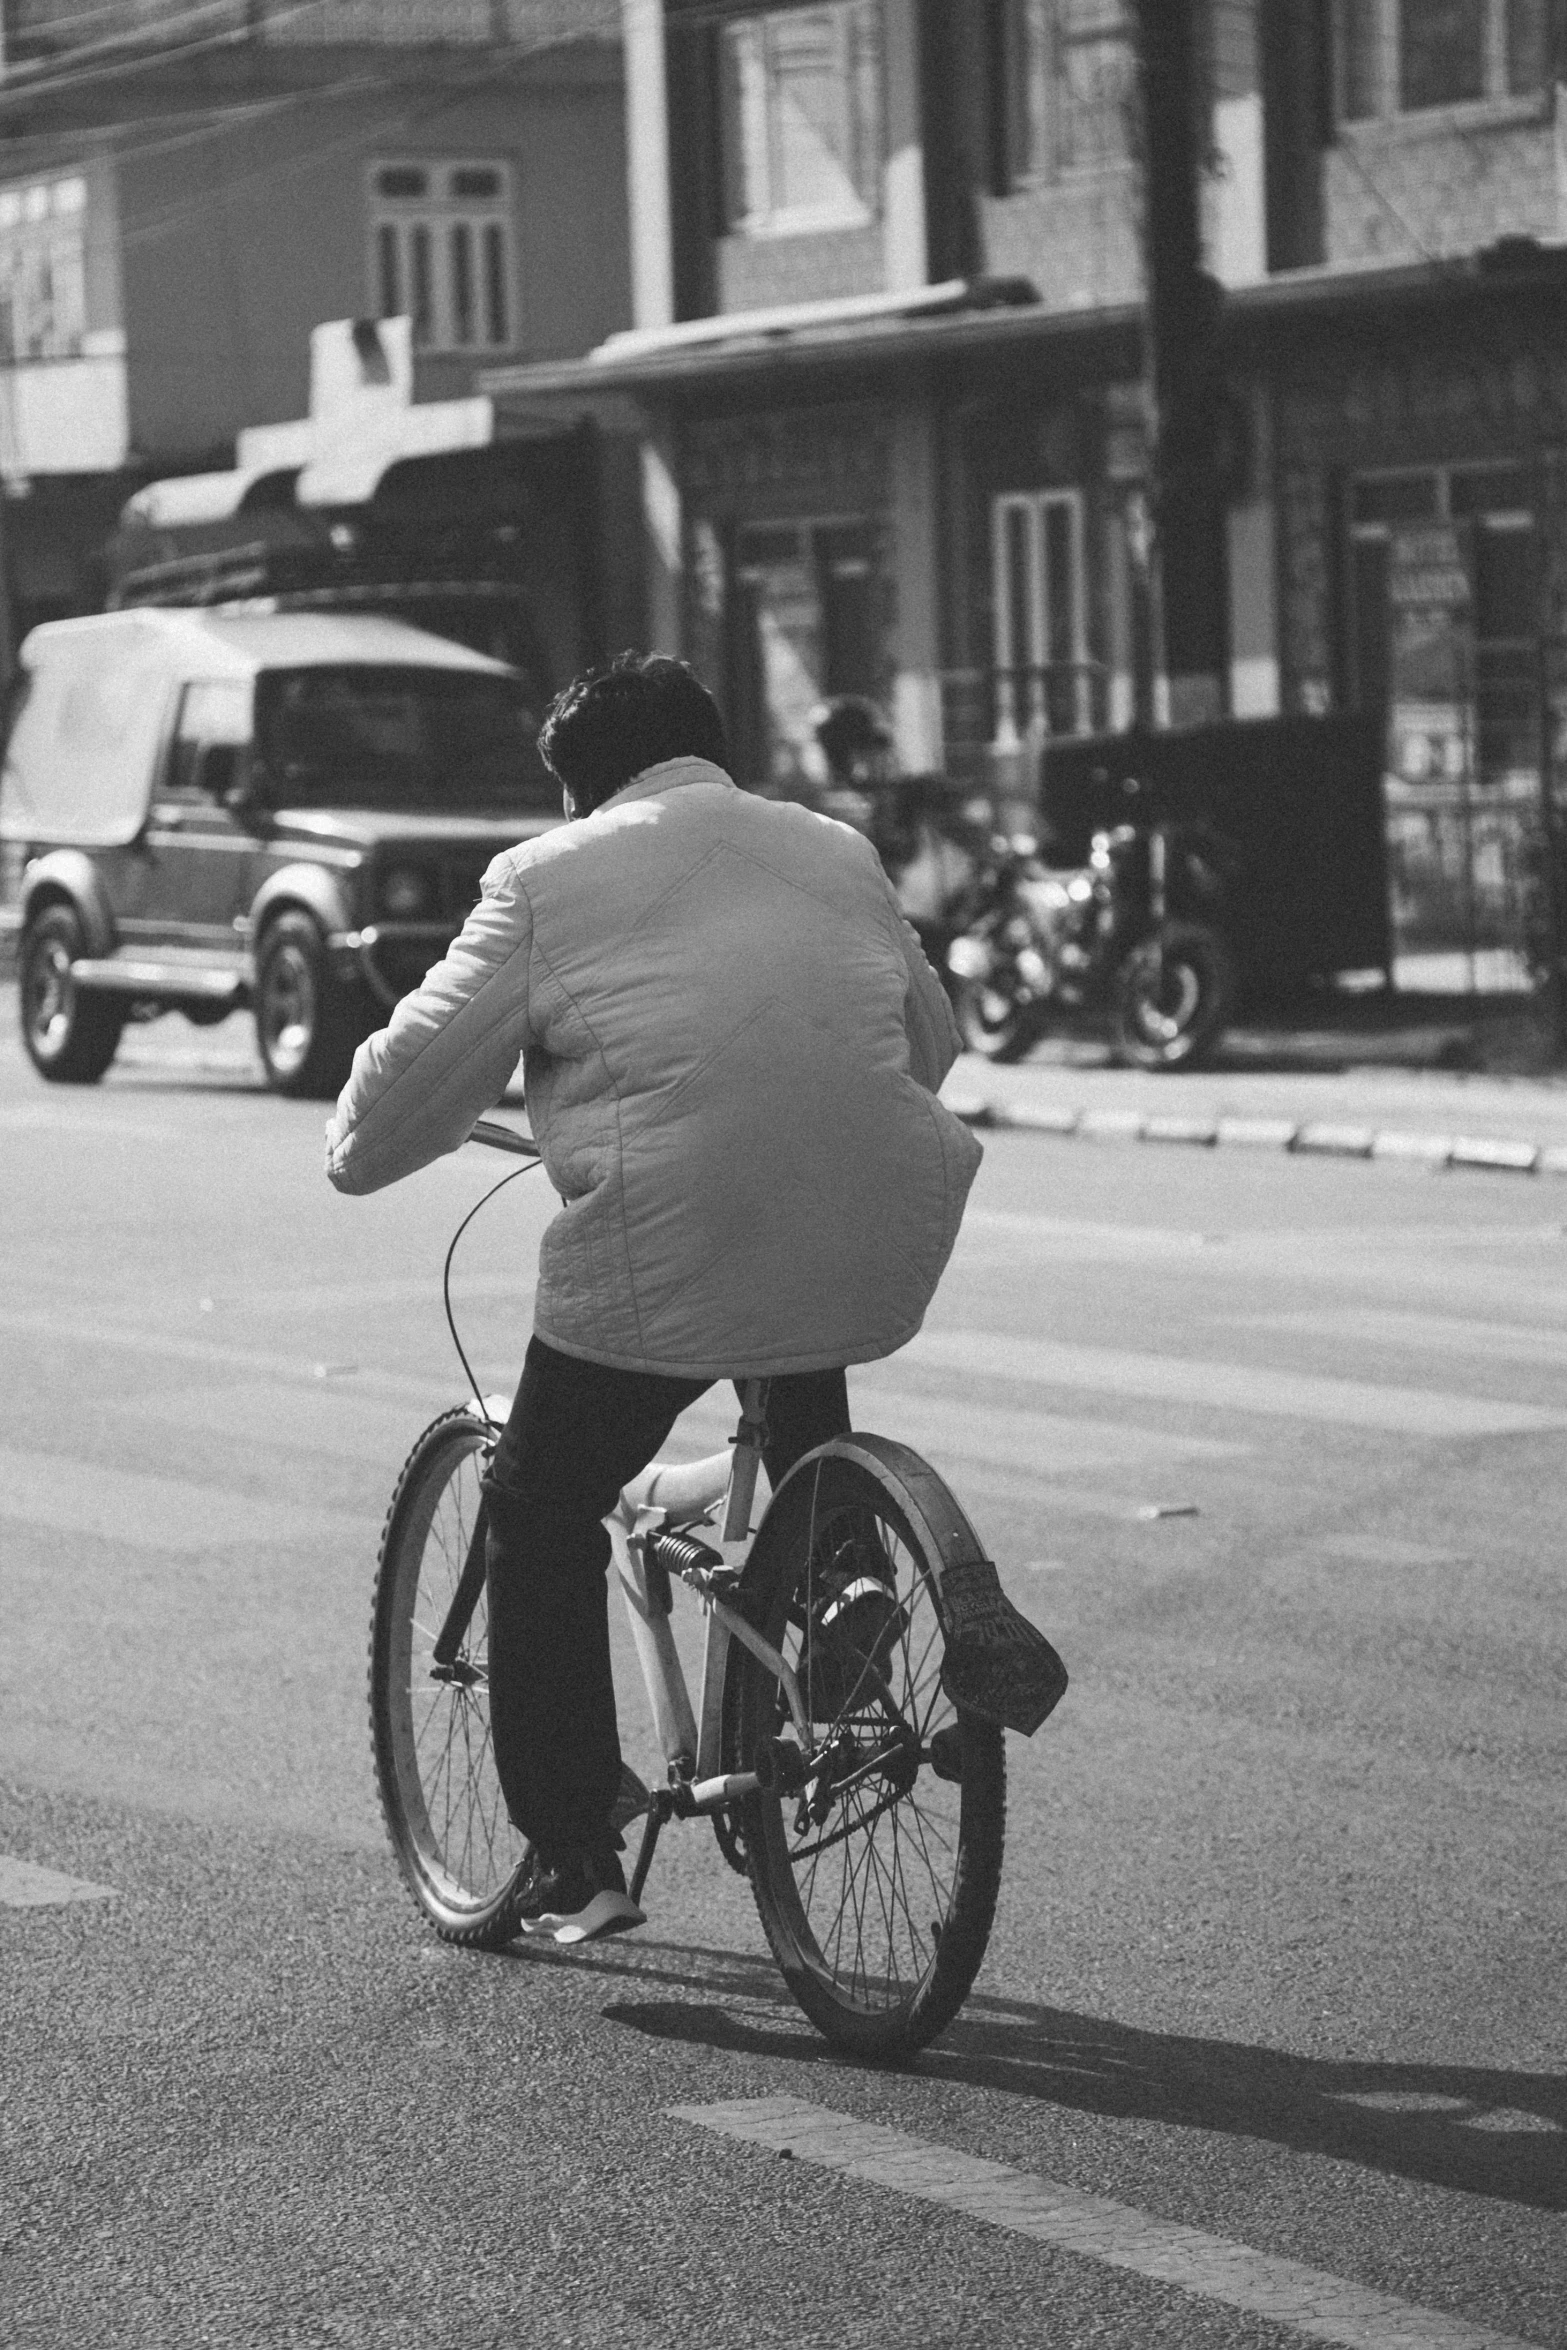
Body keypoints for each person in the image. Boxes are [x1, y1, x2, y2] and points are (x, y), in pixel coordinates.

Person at [325, 652, 981, 1941]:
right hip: (873, 1228)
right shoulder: (834, 851)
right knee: (795, 1347)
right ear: (710, 748)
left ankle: (573, 1852)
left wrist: (351, 1141)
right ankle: (841, 1584)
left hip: (672, 1241)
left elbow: (407, 1088)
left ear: (580, 787)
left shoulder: (548, 879)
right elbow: (933, 1041)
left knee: (543, 1499)